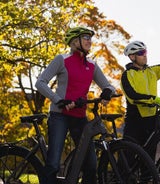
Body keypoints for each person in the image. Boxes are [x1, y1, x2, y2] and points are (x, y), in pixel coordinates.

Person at [35, 26, 115, 184]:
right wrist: (58, 100)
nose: (89, 41)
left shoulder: (92, 65)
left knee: (91, 165)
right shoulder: (61, 59)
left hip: (80, 118)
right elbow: (40, 82)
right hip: (60, 116)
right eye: (85, 37)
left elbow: (109, 86)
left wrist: (107, 92)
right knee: (53, 163)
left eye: (90, 38)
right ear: (73, 42)